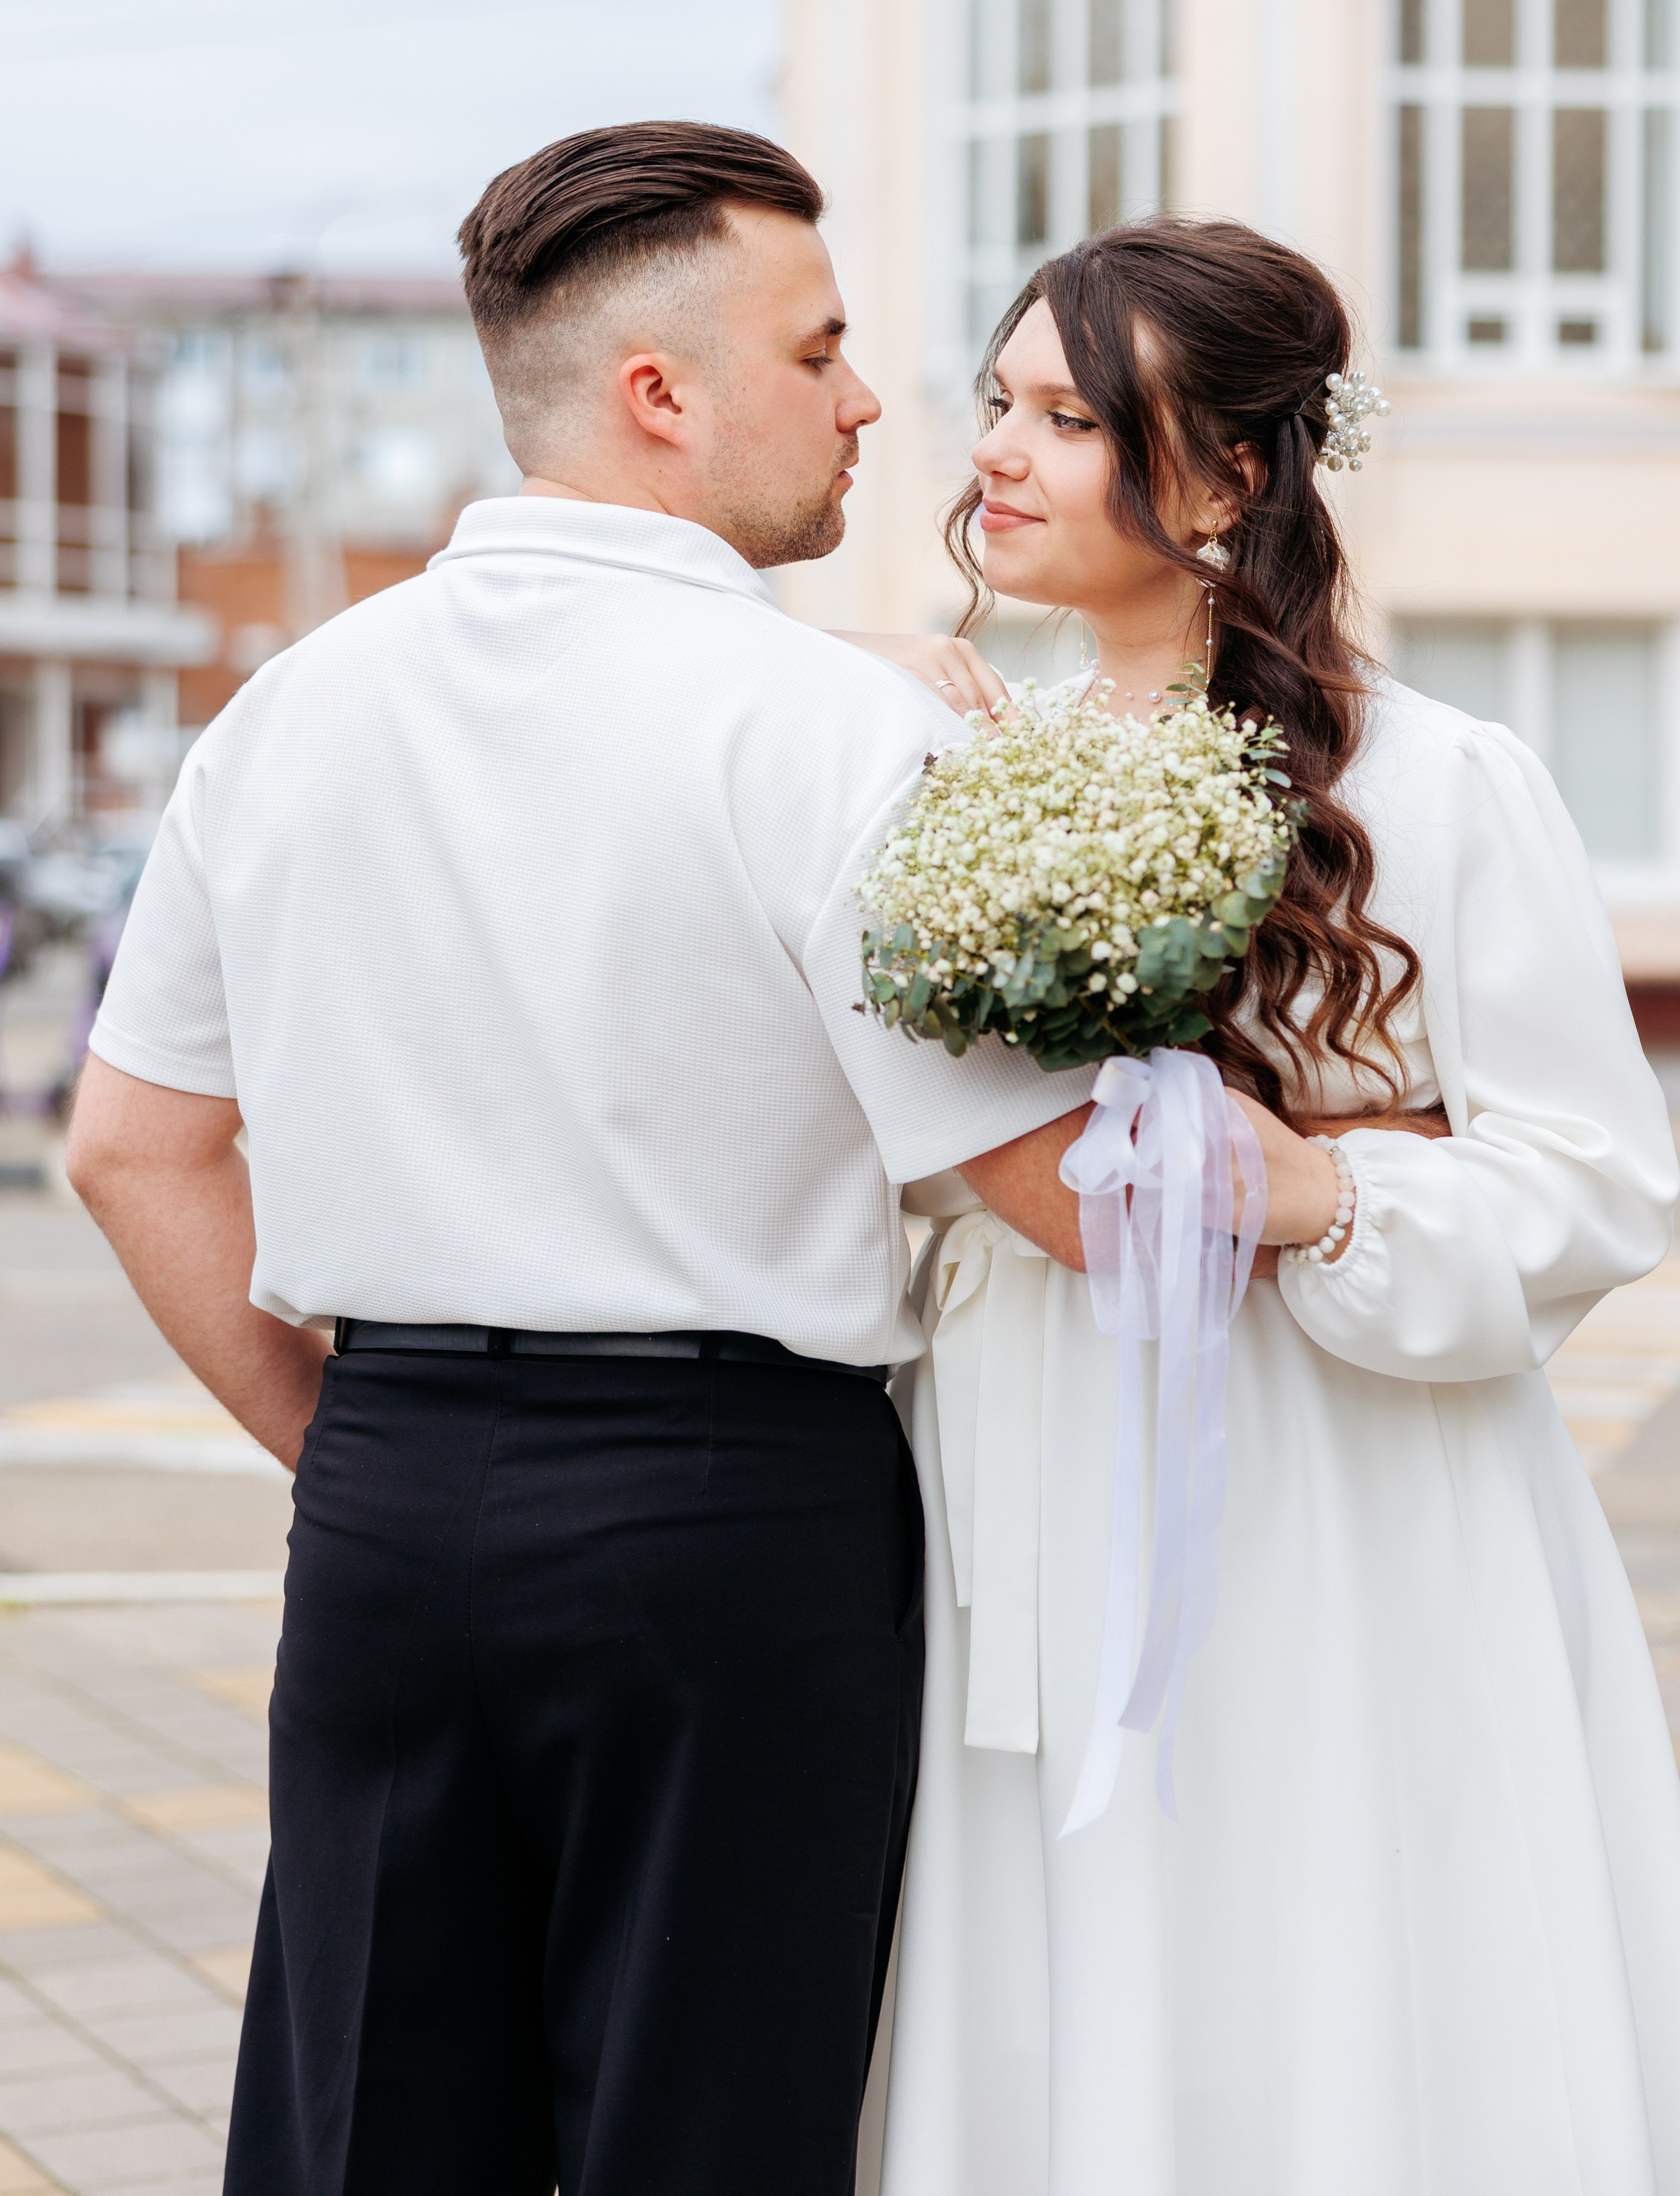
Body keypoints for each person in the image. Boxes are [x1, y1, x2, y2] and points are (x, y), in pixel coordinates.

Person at [62, 129, 1344, 2196]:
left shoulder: (286, 713)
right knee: (708, 2132)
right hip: (732, 1523)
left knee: (365, 2109)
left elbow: (131, 1149)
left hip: (387, 1496)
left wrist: (350, 1435)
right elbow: (1058, 1193)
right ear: (663, 394)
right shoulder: (830, 728)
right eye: (823, 350)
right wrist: (1378, 1176)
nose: (866, 406)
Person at [847, 218, 1680, 2196]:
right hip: (1017, 1455)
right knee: (1062, 1951)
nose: (994, 453)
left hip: (1337, 1489)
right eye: (995, 404)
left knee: (1334, 1933)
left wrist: (1317, 1186)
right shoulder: (943, 764)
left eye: (1068, 417)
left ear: (1230, 471)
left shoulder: (1440, 780)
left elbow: (1593, 1186)